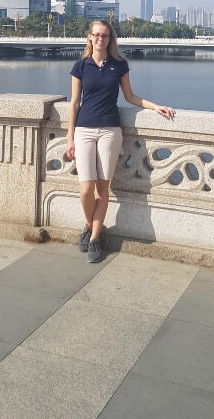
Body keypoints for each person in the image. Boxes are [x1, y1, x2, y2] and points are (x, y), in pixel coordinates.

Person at [66, 19, 175, 262]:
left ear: (110, 39)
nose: (100, 39)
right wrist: (69, 137)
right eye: (96, 35)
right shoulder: (80, 66)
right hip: (84, 130)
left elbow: (130, 96)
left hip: (110, 131)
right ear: (89, 37)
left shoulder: (119, 66)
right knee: (86, 190)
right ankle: (90, 224)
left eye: (104, 36)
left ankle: (94, 239)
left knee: (102, 188)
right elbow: (73, 103)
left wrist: (155, 106)